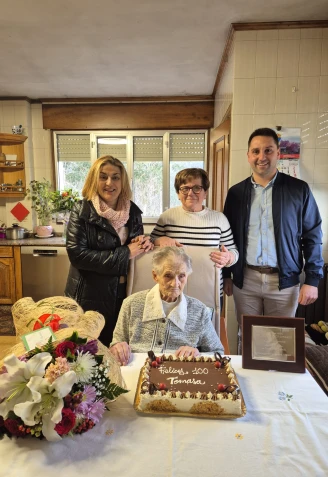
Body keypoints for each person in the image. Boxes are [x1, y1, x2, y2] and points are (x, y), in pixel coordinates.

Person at [223, 128, 324, 351]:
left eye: (268, 150)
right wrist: (226, 275)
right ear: (248, 155)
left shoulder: (299, 190)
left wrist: (313, 279)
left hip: (284, 282)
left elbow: (313, 235)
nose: (262, 157)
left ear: (278, 153)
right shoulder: (236, 193)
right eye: (256, 151)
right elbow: (225, 237)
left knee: (281, 342)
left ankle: (276, 386)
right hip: (245, 280)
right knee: (249, 339)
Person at [65, 155, 153, 346]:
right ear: (94, 180)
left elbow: (136, 251)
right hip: (88, 295)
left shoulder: (134, 213)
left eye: (115, 177)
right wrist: (126, 252)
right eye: (103, 176)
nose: (109, 182)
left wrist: (145, 242)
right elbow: (77, 255)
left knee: (119, 350)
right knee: (86, 351)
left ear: (123, 182)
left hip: (124, 294)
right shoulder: (82, 210)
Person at [109, 247, 224, 366]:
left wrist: (197, 353)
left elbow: (218, 352)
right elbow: (116, 345)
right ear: (155, 276)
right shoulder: (131, 304)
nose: (175, 283)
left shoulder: (199, 311)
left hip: (180, 376)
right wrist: (118, 348)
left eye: (181, 276)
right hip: (137, 371)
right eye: (168, 276)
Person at [150, 168, 239, 303]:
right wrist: (160, 240)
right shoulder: (166, 217)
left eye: (197, 188)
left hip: (210, 291)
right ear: (178, 194)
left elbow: (234, 251)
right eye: (185, 188)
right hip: (173, 290)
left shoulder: (219, 219)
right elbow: (150, 244)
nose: (190, 193)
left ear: (205, 193)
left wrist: (228, 257)